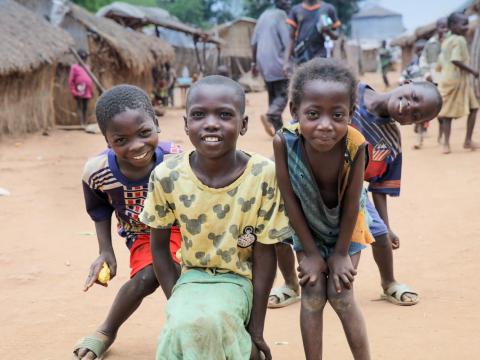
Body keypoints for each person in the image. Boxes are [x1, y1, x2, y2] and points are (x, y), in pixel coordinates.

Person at [140, 75, 293, 360]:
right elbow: (159, 247)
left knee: (212, 321)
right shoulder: (167, 176)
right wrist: (179, 304)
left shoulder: (263, 175)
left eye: (224, 115)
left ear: (243, 124)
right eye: (199, 115)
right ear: (186, 124)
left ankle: (248, 348)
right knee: (183, 325)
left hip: (239, 279)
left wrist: (256, 329)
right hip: (191, 279)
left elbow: (265, 254)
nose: (211, 123)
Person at [73, 85, 182, 360]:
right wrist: (105, 251)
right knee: (149, 275)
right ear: (107, 140)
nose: (136, 146)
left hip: (183, 227)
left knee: (185, 275)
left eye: (144, 133)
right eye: (121, 140)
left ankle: (188, 327)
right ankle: (107, 330)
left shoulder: (177, 160)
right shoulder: (96, 172)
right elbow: (98, 209)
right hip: (142, 233)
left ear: (156, 124)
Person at [273, 58, 372, 359]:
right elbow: (289, 198)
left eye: (337, 115)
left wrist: (341, 254)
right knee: (313, 296)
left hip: (347, 228)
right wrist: (312, 254)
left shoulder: (356, 144)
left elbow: (354, 202)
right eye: (313, 114)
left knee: (341, 296)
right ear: (294, 111)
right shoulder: (284, 143)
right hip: (307, 229)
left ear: (351, 114)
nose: (326, 125)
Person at [352, 80, 442, 306]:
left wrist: (387, 225)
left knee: (380, 235)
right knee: (284, 232)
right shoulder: (349, 91)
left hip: (349, 190)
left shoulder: (389, 140)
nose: (409, 106)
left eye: (416, 115)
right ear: (406, 83)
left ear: (415, 124)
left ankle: (388, 282)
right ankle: (291, 284)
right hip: (308, 174)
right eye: (414, 96)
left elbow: (379, 184)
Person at [437, 12, 479, 154]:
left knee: (473, 107)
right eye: (464, 24)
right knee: (449, 113)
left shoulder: (446, 41)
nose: (467, 27)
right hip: (457, 81)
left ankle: (464, 141)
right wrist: (473, 71)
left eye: (467, 23)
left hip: (450, 79)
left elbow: (442, 61)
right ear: (453, 26)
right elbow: (455, 59)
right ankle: (448, 144)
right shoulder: (459, 40)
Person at [251, 0, 292, 136]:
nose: (289, 2)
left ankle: (278, 131)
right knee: (283, 94)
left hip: (262, 62)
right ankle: (270, 116)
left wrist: (254, 63)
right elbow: (288, 42)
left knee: (273, 95)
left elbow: (254, 42)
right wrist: (289, 61)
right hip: (278, 61)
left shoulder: (263, 15)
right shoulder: (282, 16)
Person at [284, 0, 340, 71]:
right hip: (302, 57)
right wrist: (286, 62)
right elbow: (291, 38)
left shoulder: (327, 9)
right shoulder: (296, 10)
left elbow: (336, 35)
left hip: (320, 57)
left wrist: (327, 31)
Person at [420, 17, 448, 144]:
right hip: (432, 80)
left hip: (447, 82)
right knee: (425, 109)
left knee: (443, 112)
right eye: (442, 26)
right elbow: (423, 60)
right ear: (437, 28)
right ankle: (420, 136)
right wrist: (426, 75)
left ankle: (441, 137)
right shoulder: (430, 43)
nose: (445, 29)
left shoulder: (451, 42)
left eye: (447, 26)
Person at [68, 49, 94, 127]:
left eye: (84, 58)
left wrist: (91, 90)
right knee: (80, 105)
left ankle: (85, 122)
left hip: (87, 90)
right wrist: (73, 91)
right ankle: (81, 122)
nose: (83, 59)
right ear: (78, 58)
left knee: (85, 106)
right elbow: (71, 80)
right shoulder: (74, 67)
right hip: (79, 89)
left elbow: (90, 79)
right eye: (82, 58)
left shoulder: (87, 67)